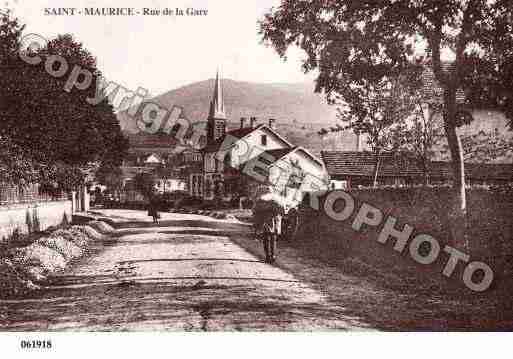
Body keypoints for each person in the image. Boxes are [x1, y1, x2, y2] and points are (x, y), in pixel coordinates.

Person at [253, 187, 284, 264]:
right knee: (272, 239)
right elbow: (281, 211)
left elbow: (255, 210)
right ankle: (271, 256)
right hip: (271, 222)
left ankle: (268, 256)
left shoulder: (260, 201)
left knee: (267, 239)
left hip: (267, 222)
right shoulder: (276, 201)